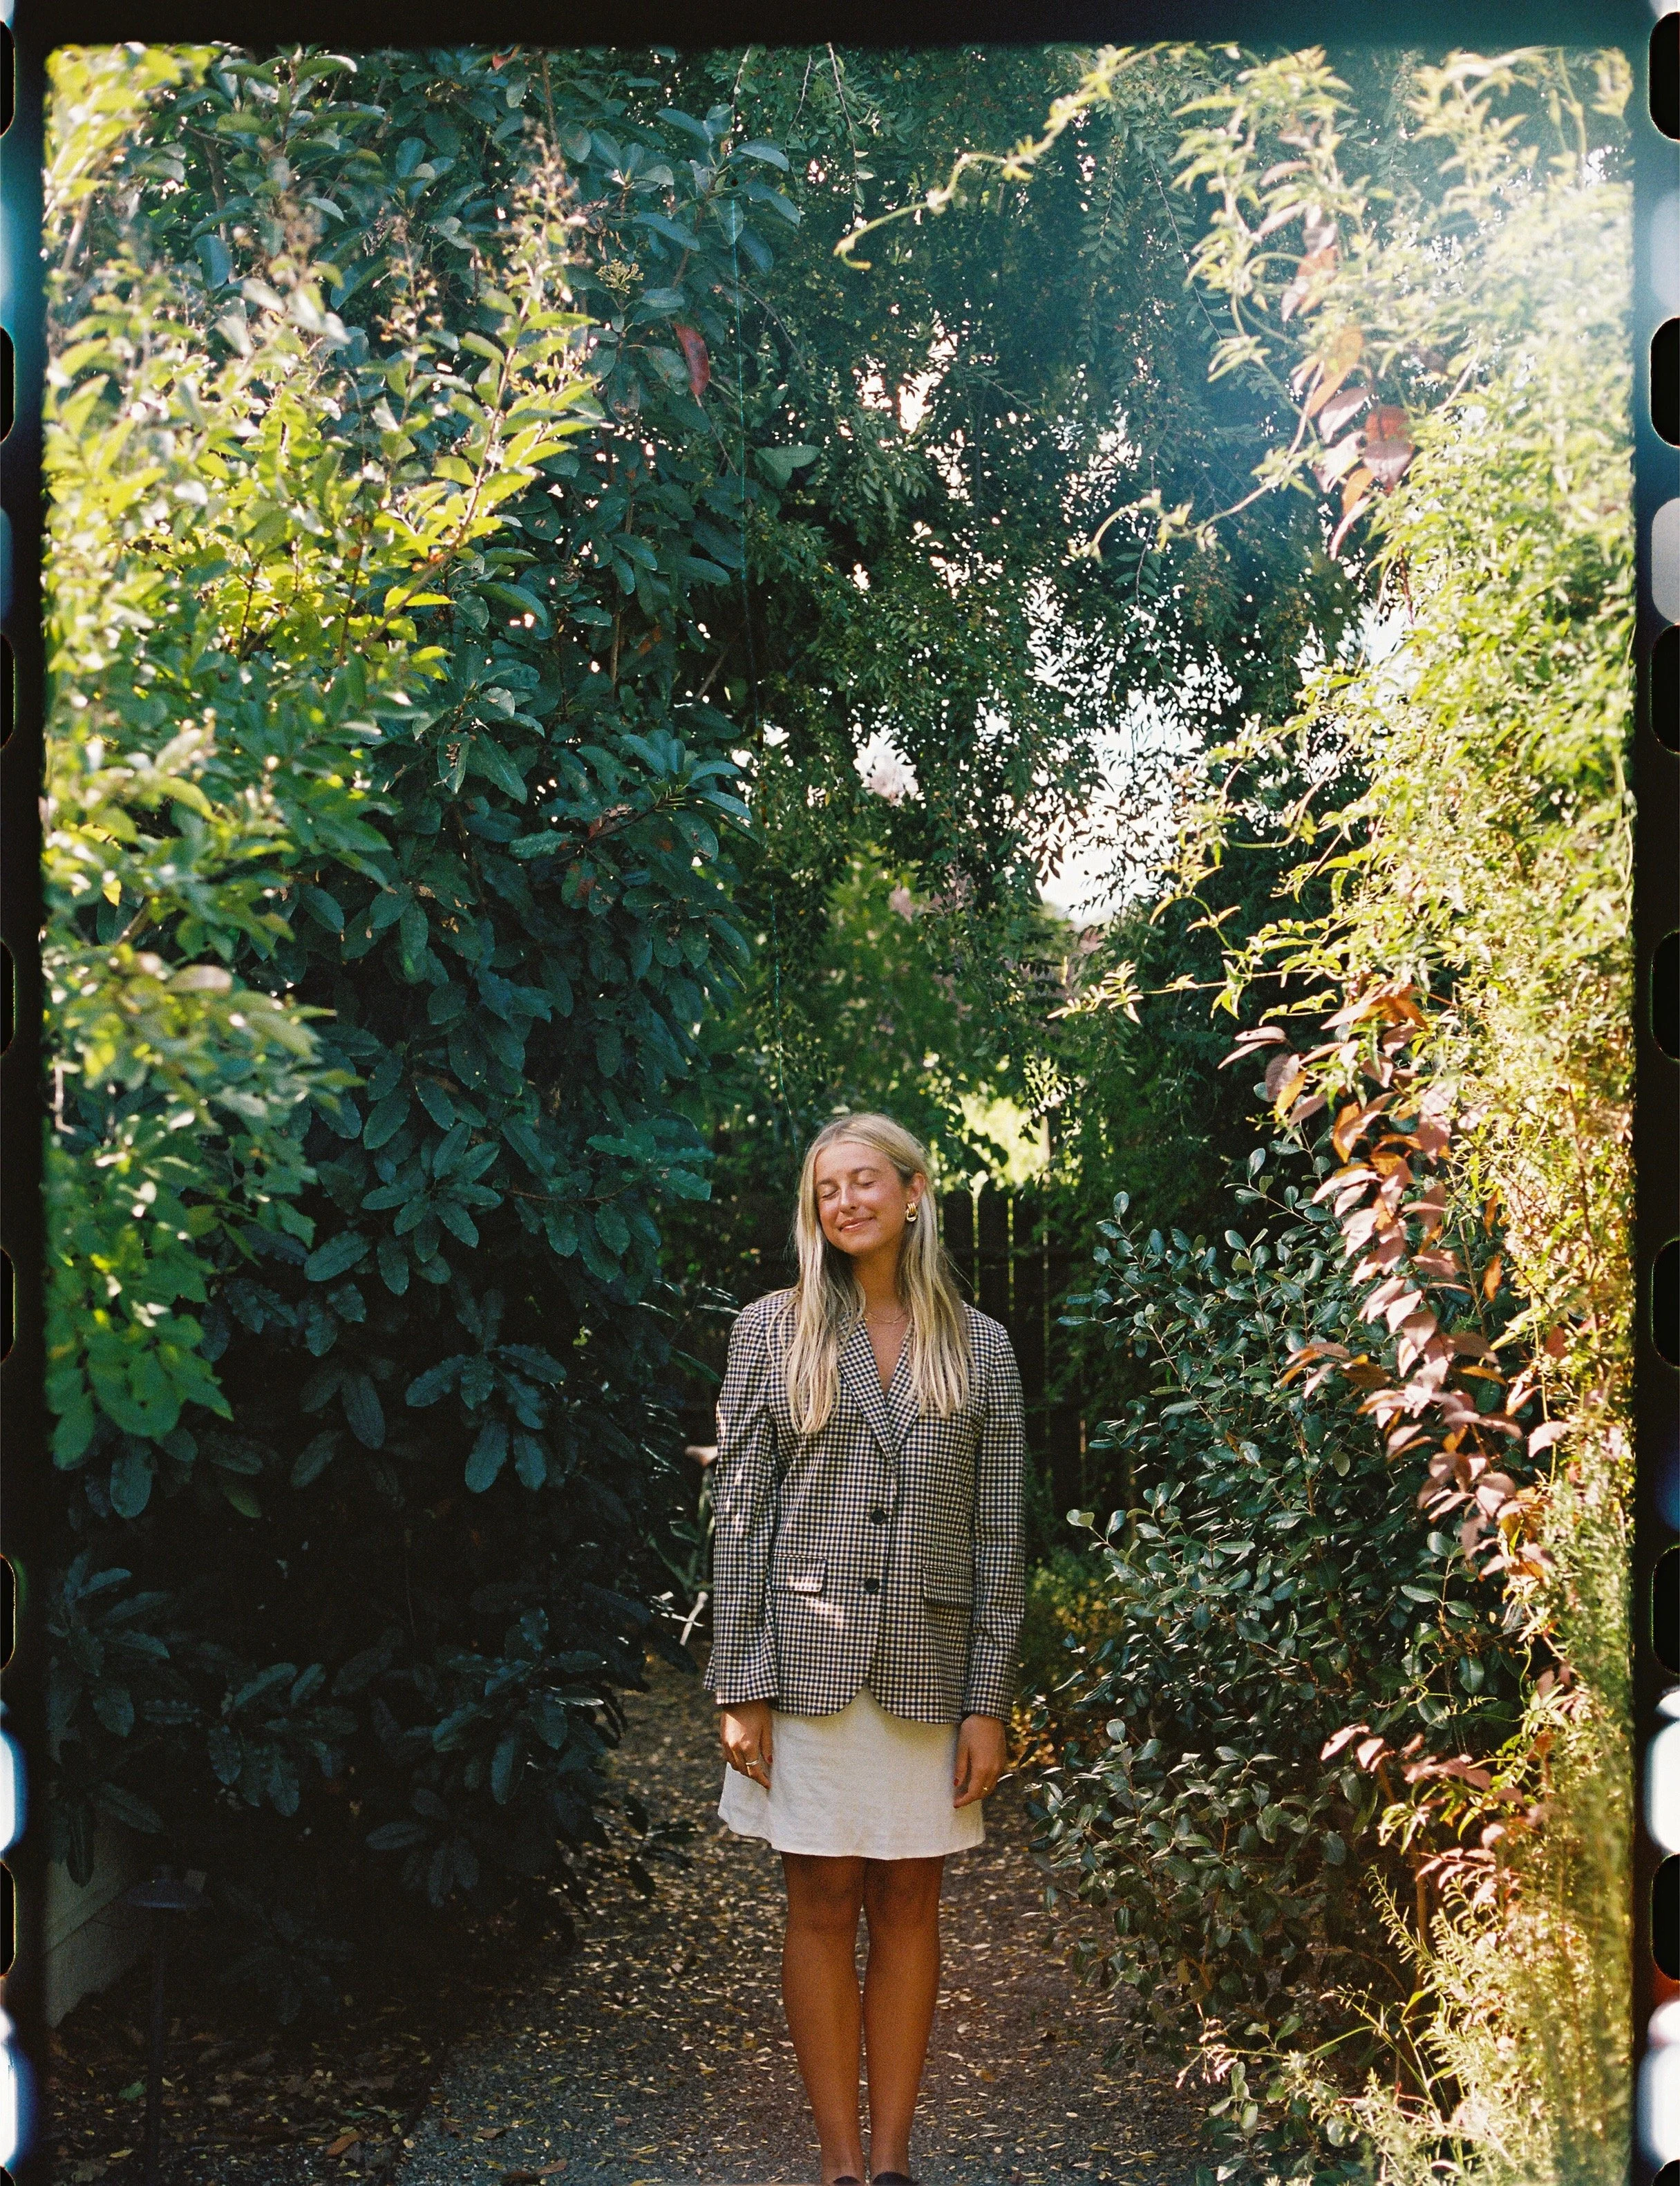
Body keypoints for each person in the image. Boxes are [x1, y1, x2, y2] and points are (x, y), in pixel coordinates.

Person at [705, 1111, 1027, 2186]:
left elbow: (998, 1531)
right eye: (825, 1189)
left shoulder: (979, 1344)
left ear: (913, 1190)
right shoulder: (771, 1329)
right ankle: (839, 2165)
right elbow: (740, 1508)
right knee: (820, 1896)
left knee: (910, 1902)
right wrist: (739, 1681)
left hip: (929, 1670)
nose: (844, 1202)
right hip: (805, 1663)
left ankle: (892, 2161)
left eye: (863, 1182)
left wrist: (988, 1697)